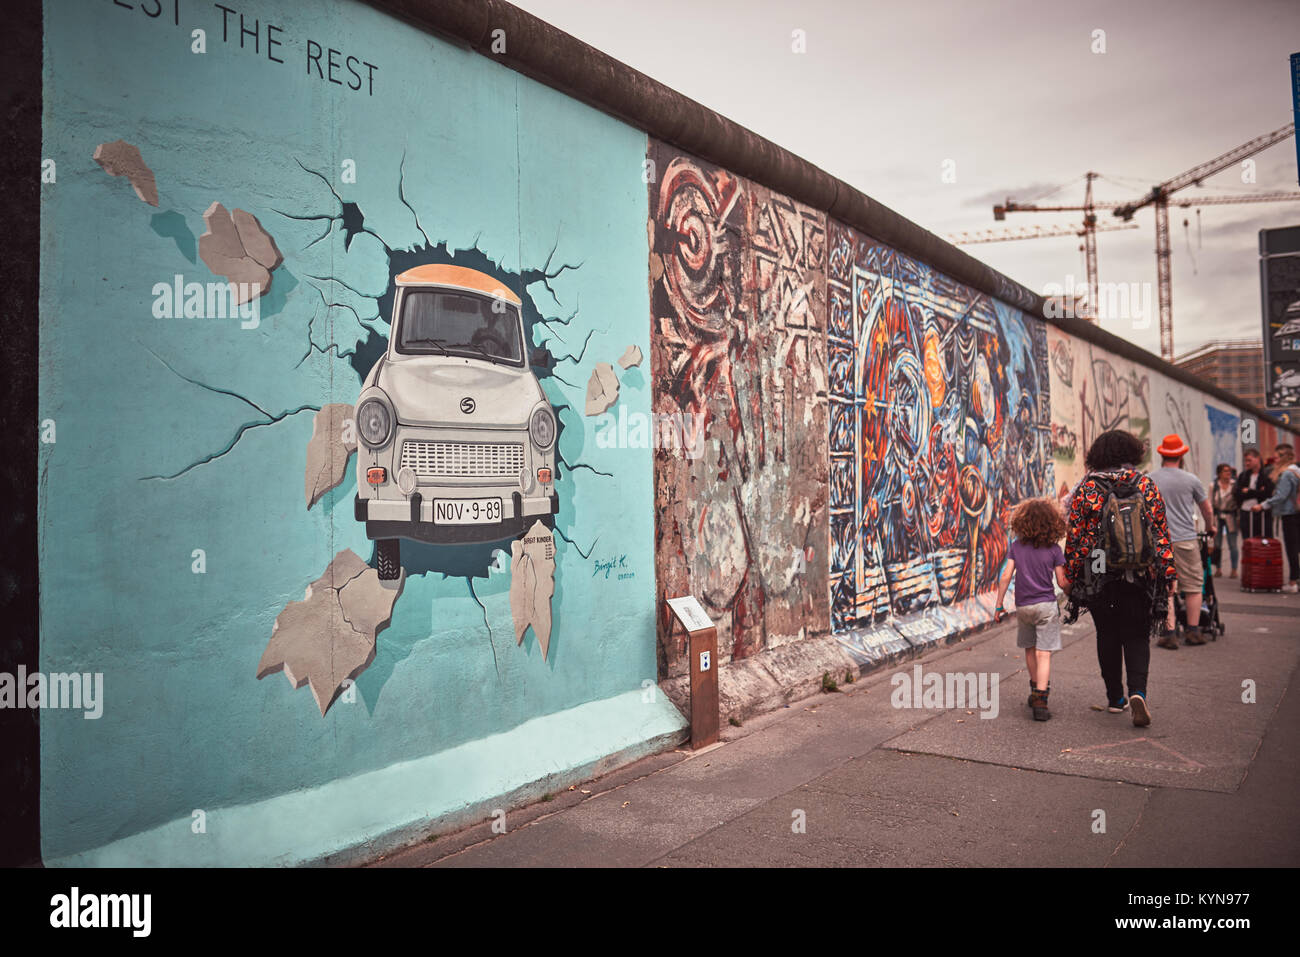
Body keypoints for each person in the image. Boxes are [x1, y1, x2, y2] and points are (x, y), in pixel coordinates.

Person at [1064, 429, 1177, 728]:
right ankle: (1138, 692)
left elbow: (1075, 535)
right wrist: (1168, 572)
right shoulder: (1145, 484)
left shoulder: (1087, 487)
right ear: (1132, 453)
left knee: (1107, 634)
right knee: (1137, 634)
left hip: (1099, 570)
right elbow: (1160, 532)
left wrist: (1071, 573)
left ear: (1097, 455)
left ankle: (1115, 698)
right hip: (1140, 571)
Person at [994, 498, 1069, 721]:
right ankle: (1041, 700)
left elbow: (1006, 575)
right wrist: (1074, 591)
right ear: (1052, 523)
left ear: (1022, 522)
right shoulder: (1055, 550)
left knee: (1030, 649)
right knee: (1043, 653)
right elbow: (1062, 582)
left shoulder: (1016, 546)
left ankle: (1035, 688)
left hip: (1023, 606)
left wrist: (998, 605)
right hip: (1046, 605)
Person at [1147, 434, 1216, 648]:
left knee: (1166, 587)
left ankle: (1169, 633)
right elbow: (1207, 509)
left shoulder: (1150, 479)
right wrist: (1210, 527)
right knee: (1194, 585)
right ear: (1182, 455)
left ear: (1161, 455)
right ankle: (1193, 631)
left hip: (1159, 541)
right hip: (1186, 539)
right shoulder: (1191, 480)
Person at [1253, 444, 1300, 593]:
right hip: (1297, 512)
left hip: (1290, 514)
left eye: (1277, 457)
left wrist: (1263, 505)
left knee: (1292, 548)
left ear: (1283, 458)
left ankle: (1293, 581)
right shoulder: (1297, 470)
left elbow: (1281, 496)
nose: (1274, 460)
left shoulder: (1286, 474)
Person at [1235, 448, 1274, 541]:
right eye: (1245, 461)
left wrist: (1249, 491)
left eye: (1249, 460)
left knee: (1264, 540)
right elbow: (1237, 493)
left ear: (1257, 459)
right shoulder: (1243, 476)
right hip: (1245, 513)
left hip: (1262, 513)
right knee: (1248, 541)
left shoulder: (1266, 475)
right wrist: (1257, 492)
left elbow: (1267, 494)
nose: (1247, 463)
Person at [1211, 463, 1239, 578]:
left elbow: (1238, 501)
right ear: (1219, 473)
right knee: (1217, 544)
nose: (1228, 473)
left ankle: (1234, 569)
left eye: (1229, 471)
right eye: (1225, 471)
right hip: (1218, 516)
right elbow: (1210, 503)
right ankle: (1218, 568)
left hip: (1230, 516)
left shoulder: (1234, 485)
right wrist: (1211, 520)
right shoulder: (1214, 486)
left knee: (1233, 544)